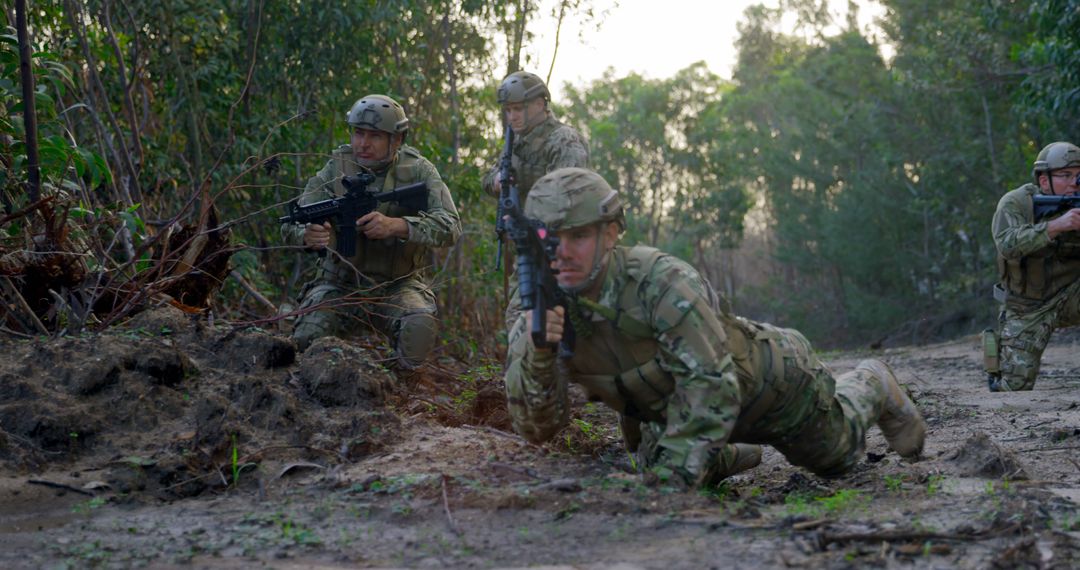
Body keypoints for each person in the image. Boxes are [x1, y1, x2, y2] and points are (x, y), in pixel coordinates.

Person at [503, 167, 926, 488]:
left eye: (576, 236)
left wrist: (667, 486)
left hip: (769, 388)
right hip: (677, 406)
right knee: (663, 463)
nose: (561, 252)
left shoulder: (660, 282)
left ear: (610, 233)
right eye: (548, 237)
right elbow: (538, 429)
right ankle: (732, 455)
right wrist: (537, 353)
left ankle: (873, 381)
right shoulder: (534, 306)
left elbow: (713, 388)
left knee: (837, 460)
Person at [281, 94, 461, 368]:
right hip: (339, 284)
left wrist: (398, 226)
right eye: (358, 133)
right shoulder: (335, 169)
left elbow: (451, 226)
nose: (363, 143)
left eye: (375, 136)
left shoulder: (419, 171)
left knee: (418, 327)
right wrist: (306, 235)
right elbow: (291, 223)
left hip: (398, 284)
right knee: (307, 338)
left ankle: (395, 392)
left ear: (397, 139)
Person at [985, 141, 1080, 392]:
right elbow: (1007, 244)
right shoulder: (1016, 204)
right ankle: (1000, 364)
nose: (1074, 182)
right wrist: (1056, 226)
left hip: (1071, 296)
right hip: (1027, 308)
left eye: (1079, 176)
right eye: (1066, 175)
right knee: (1013, 389)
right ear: (1044, 180)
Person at [481, 71, 589, 198]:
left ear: (539, 104)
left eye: (518, 109)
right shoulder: (516, 141)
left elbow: (567, 193)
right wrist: (497, 181)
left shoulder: (564, 139)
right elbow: (488, 177)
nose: (512, 117)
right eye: (508, 110)